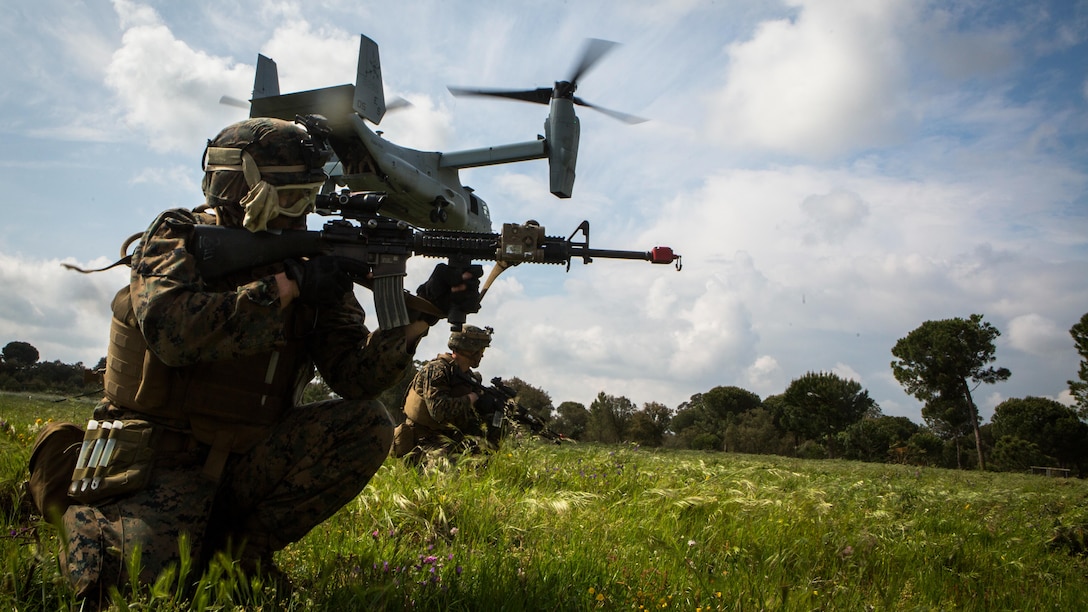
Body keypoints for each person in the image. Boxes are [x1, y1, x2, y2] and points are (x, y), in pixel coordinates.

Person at [57, 116, 479, 601]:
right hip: (155, 461)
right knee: (125, 592)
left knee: (366, 424)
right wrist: (286, 288)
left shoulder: (310, 265)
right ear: (241, 187)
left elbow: (355, 377)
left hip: (247, 458)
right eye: (291, 197)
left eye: (309, 197)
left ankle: (239, 558)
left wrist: (422, 311)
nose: (301, 214)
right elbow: (175, 333)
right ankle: (94, 517)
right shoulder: (181, 238)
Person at [391, 325, 504, 464]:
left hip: (450, 440)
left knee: (485, 462)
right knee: (449, 468)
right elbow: (438, 411)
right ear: (470, 349)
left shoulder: (468, 377)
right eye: (481, 349)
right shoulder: (437, 370)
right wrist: (472, 398)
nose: (482, 354)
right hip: (422, 443)